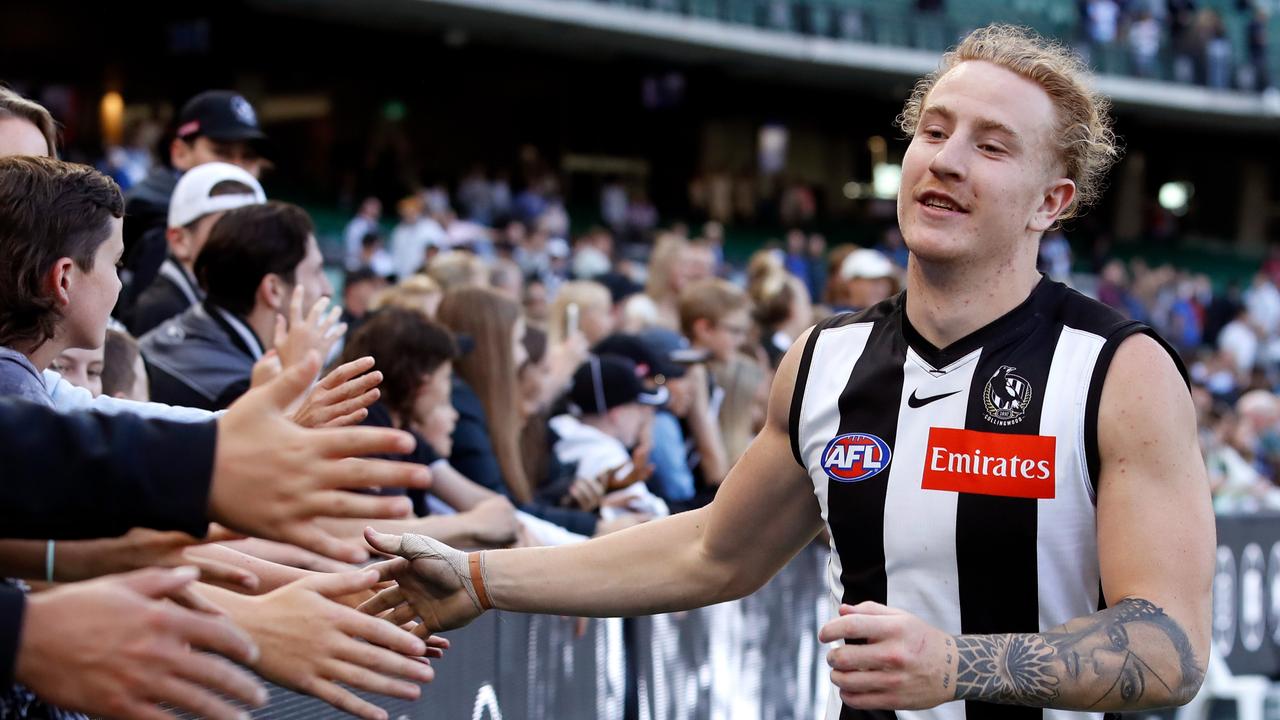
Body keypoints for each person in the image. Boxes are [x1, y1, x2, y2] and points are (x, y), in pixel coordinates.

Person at [364, 25, 1212, 719]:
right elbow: (708, 550)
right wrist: (479, 577)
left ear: (1051, 202)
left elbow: (1169, 645)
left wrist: (957, 664)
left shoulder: (1117, 368)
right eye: (934, 130)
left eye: (992, 147)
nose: (946, 160)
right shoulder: (824, 361)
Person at [141, 201, 337, 410]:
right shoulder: (237, 392)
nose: (327, 289)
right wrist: (298, 381)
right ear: (273, 289)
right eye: (316, 271)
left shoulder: (173, 333)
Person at [118, 90, 267, 319]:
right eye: (222, 152)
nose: (237, 168)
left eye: (248, 157)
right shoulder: (157, 219)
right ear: (180, 153)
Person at [127, 161, 265, 336]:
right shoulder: (161, 311)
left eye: (254, 230)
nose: (244, 241)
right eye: (226, 228)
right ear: (179, 240)